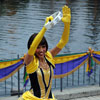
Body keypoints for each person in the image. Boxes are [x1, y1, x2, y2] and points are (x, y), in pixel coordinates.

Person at [18, 5, 71, 100]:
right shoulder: (30, 61)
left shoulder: (49, 57)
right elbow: (32, 47)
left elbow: (63, 42)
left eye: (43, 46)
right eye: (38, 48)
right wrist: (45, 28)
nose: (41, 50)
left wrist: (67, 25)